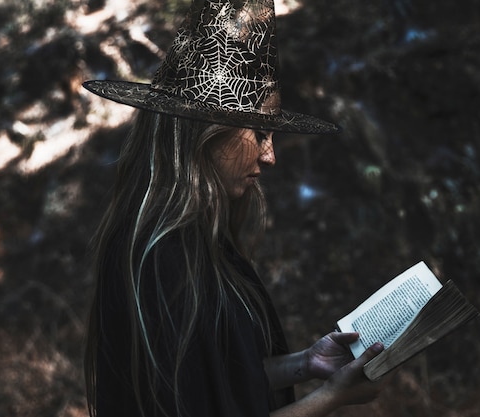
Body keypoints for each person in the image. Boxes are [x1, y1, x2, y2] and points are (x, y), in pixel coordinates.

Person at [82, 1, 387, 416]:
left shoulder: (192, 243)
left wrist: (306, 363)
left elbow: (214, 384)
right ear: (206, 135)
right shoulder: (162, 260)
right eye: (259, 132)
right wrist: (331, 398)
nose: (270, 156)